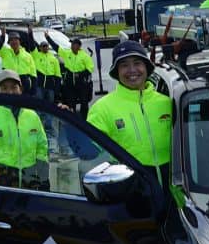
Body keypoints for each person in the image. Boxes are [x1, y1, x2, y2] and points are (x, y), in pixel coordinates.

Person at [87, 41, 171, 185]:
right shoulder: (102, 108)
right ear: (116, 71)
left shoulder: (168, 103)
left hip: (174, 193)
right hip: (131, 192)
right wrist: (69, 124)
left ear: (146, 67)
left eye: (137, 63)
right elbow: (88, 153)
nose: (132, 70)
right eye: (124, 65)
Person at [0, 70, 49, 189]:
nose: (10, 92)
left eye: (14, 87)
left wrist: (39, 171)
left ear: (21, 89)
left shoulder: (32, 116)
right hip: (1, 181)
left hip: (29, 178)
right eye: (4, 88)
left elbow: (42, 146)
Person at [49, 35, 94, 117]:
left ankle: (84, 119)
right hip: (69, 81)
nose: (72, 46)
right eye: (72, 44)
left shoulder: (85, 56)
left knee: (84, 102)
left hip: (81, 82)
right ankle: (72, 119)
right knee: (70, 102)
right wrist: (48, 37)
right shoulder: (67, 53)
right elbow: (56, 48)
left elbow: (90, 68)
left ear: (79, 46)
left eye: (74, 44)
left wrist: (80, 74)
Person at [0, 13, 37, 97]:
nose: (14, 42)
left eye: (16, 39)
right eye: (11, 40)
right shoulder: (5, 52)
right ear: (9, 43)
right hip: (10, 85)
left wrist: (33, 90)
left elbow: (33, 74)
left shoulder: (27, 55)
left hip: (25, 87)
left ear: (19, 41)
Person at [32, 40, 62, 104]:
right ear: (40, 48)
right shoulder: (36, 56)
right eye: (43, 46)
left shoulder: (54, 59)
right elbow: (32, 45)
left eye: (46, 46)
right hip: (39, 85)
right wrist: (30, 34)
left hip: (50, 86)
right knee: (39, 103)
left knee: (50, 104)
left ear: (48, 47)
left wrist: (57, 89)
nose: (45, 48)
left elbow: (58, 75)